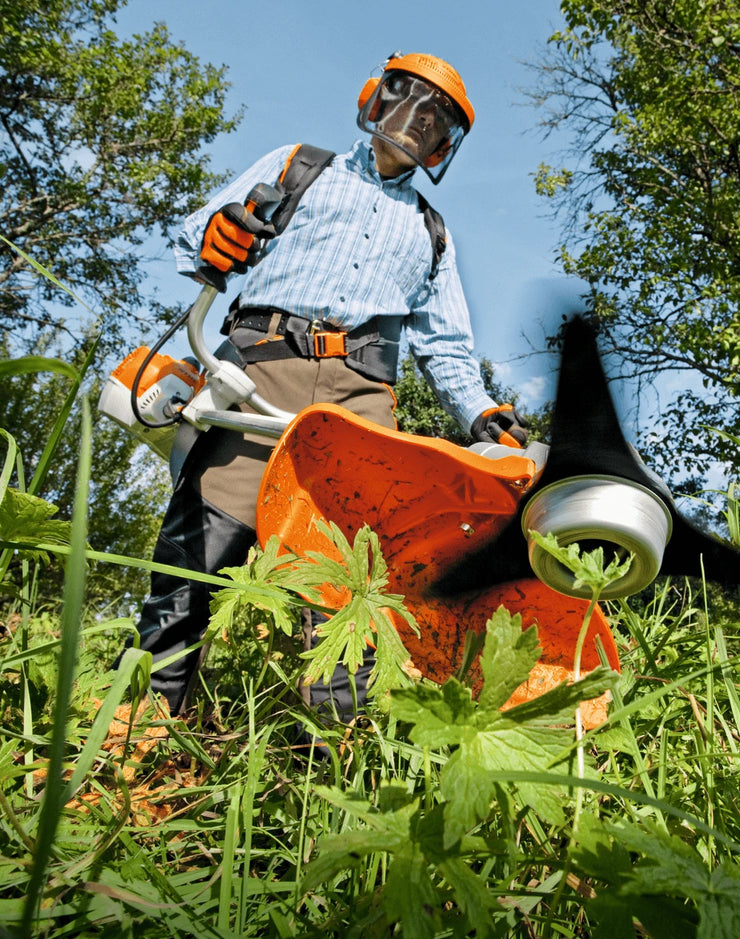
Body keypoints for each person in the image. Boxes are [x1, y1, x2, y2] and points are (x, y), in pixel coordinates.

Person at [123, 52, 528, 721]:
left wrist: (481, 411)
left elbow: (447, 347)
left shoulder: (431, 233)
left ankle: (325, 758)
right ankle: (142, 727)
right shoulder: (299, 167)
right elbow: (194, 235)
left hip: (359, 401)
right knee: (200, 548)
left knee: (350, 578)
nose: (413, 123)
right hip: (260, 367)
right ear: (375, 100)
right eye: (404, 103)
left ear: (442, 146)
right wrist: (219, 233)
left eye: (432, 120)